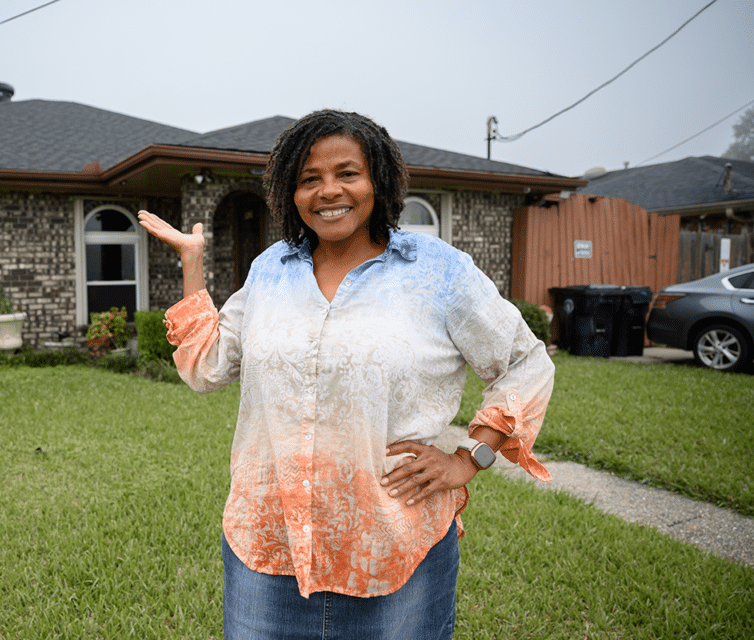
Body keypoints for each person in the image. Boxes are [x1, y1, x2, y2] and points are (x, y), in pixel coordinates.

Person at [137, 109, 554, 640]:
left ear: (378, 180)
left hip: (392, 542)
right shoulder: (271, 270)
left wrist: (471, 458)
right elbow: (207, 368)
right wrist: (193, 262)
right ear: (291, 193)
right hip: (269, 543)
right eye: (309, 178)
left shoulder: (437, 271)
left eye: (347, 173)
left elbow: (525, 361)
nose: (328, 191)